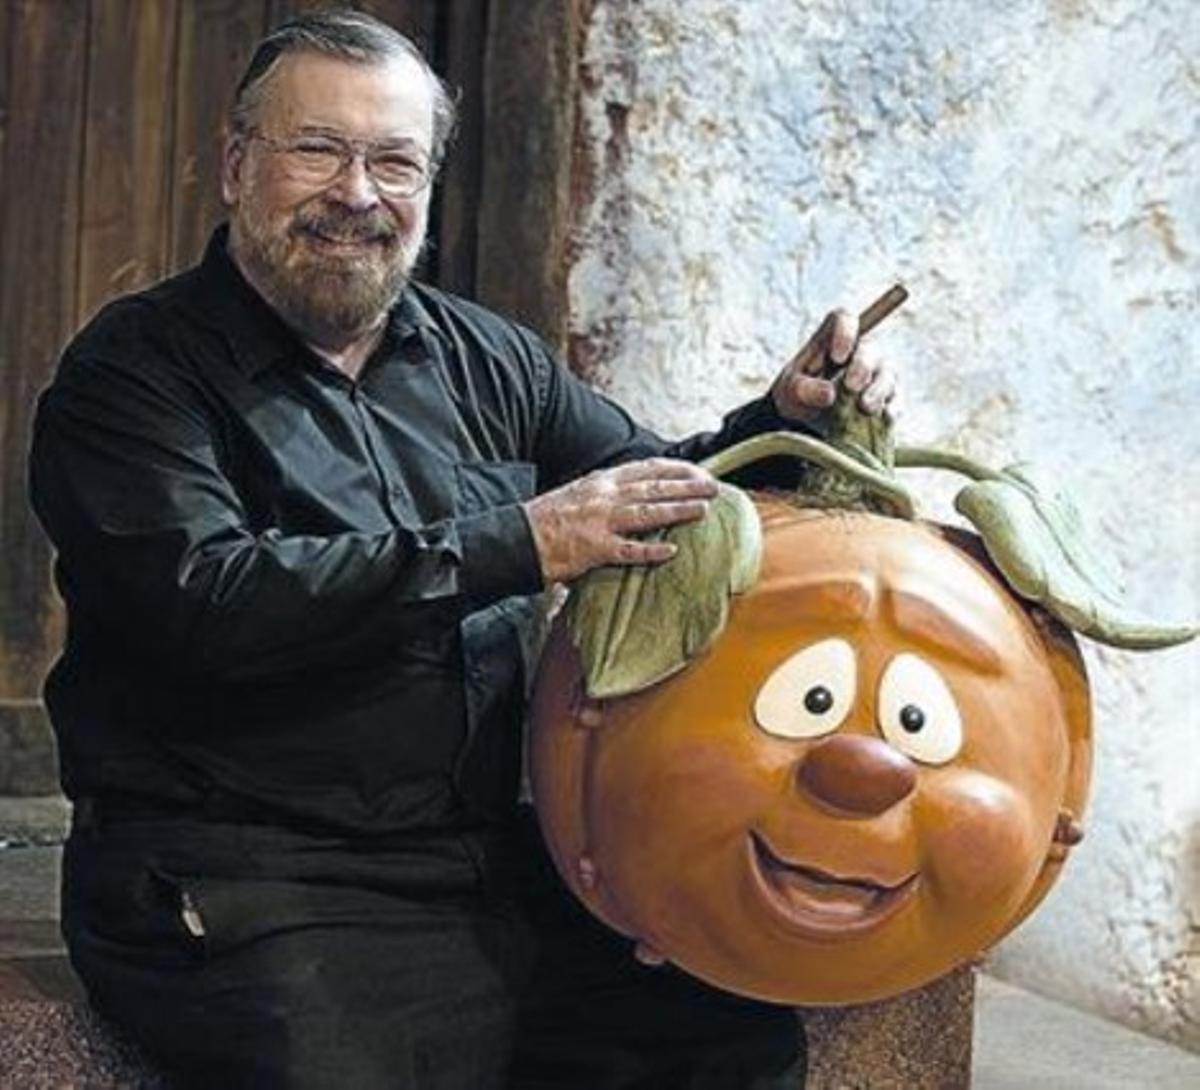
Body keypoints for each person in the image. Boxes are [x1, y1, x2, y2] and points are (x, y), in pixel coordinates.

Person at [29, 10, 896, 1089]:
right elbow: (210, 601)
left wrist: (783, 421)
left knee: (723, 1037)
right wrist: (519, 544)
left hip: (481, 860)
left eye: (394, 162)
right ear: (235, 164)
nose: (356, 193)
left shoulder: (489, 357)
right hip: (239, 870)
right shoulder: (134, 374)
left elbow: (662, 493)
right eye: (318, 150)